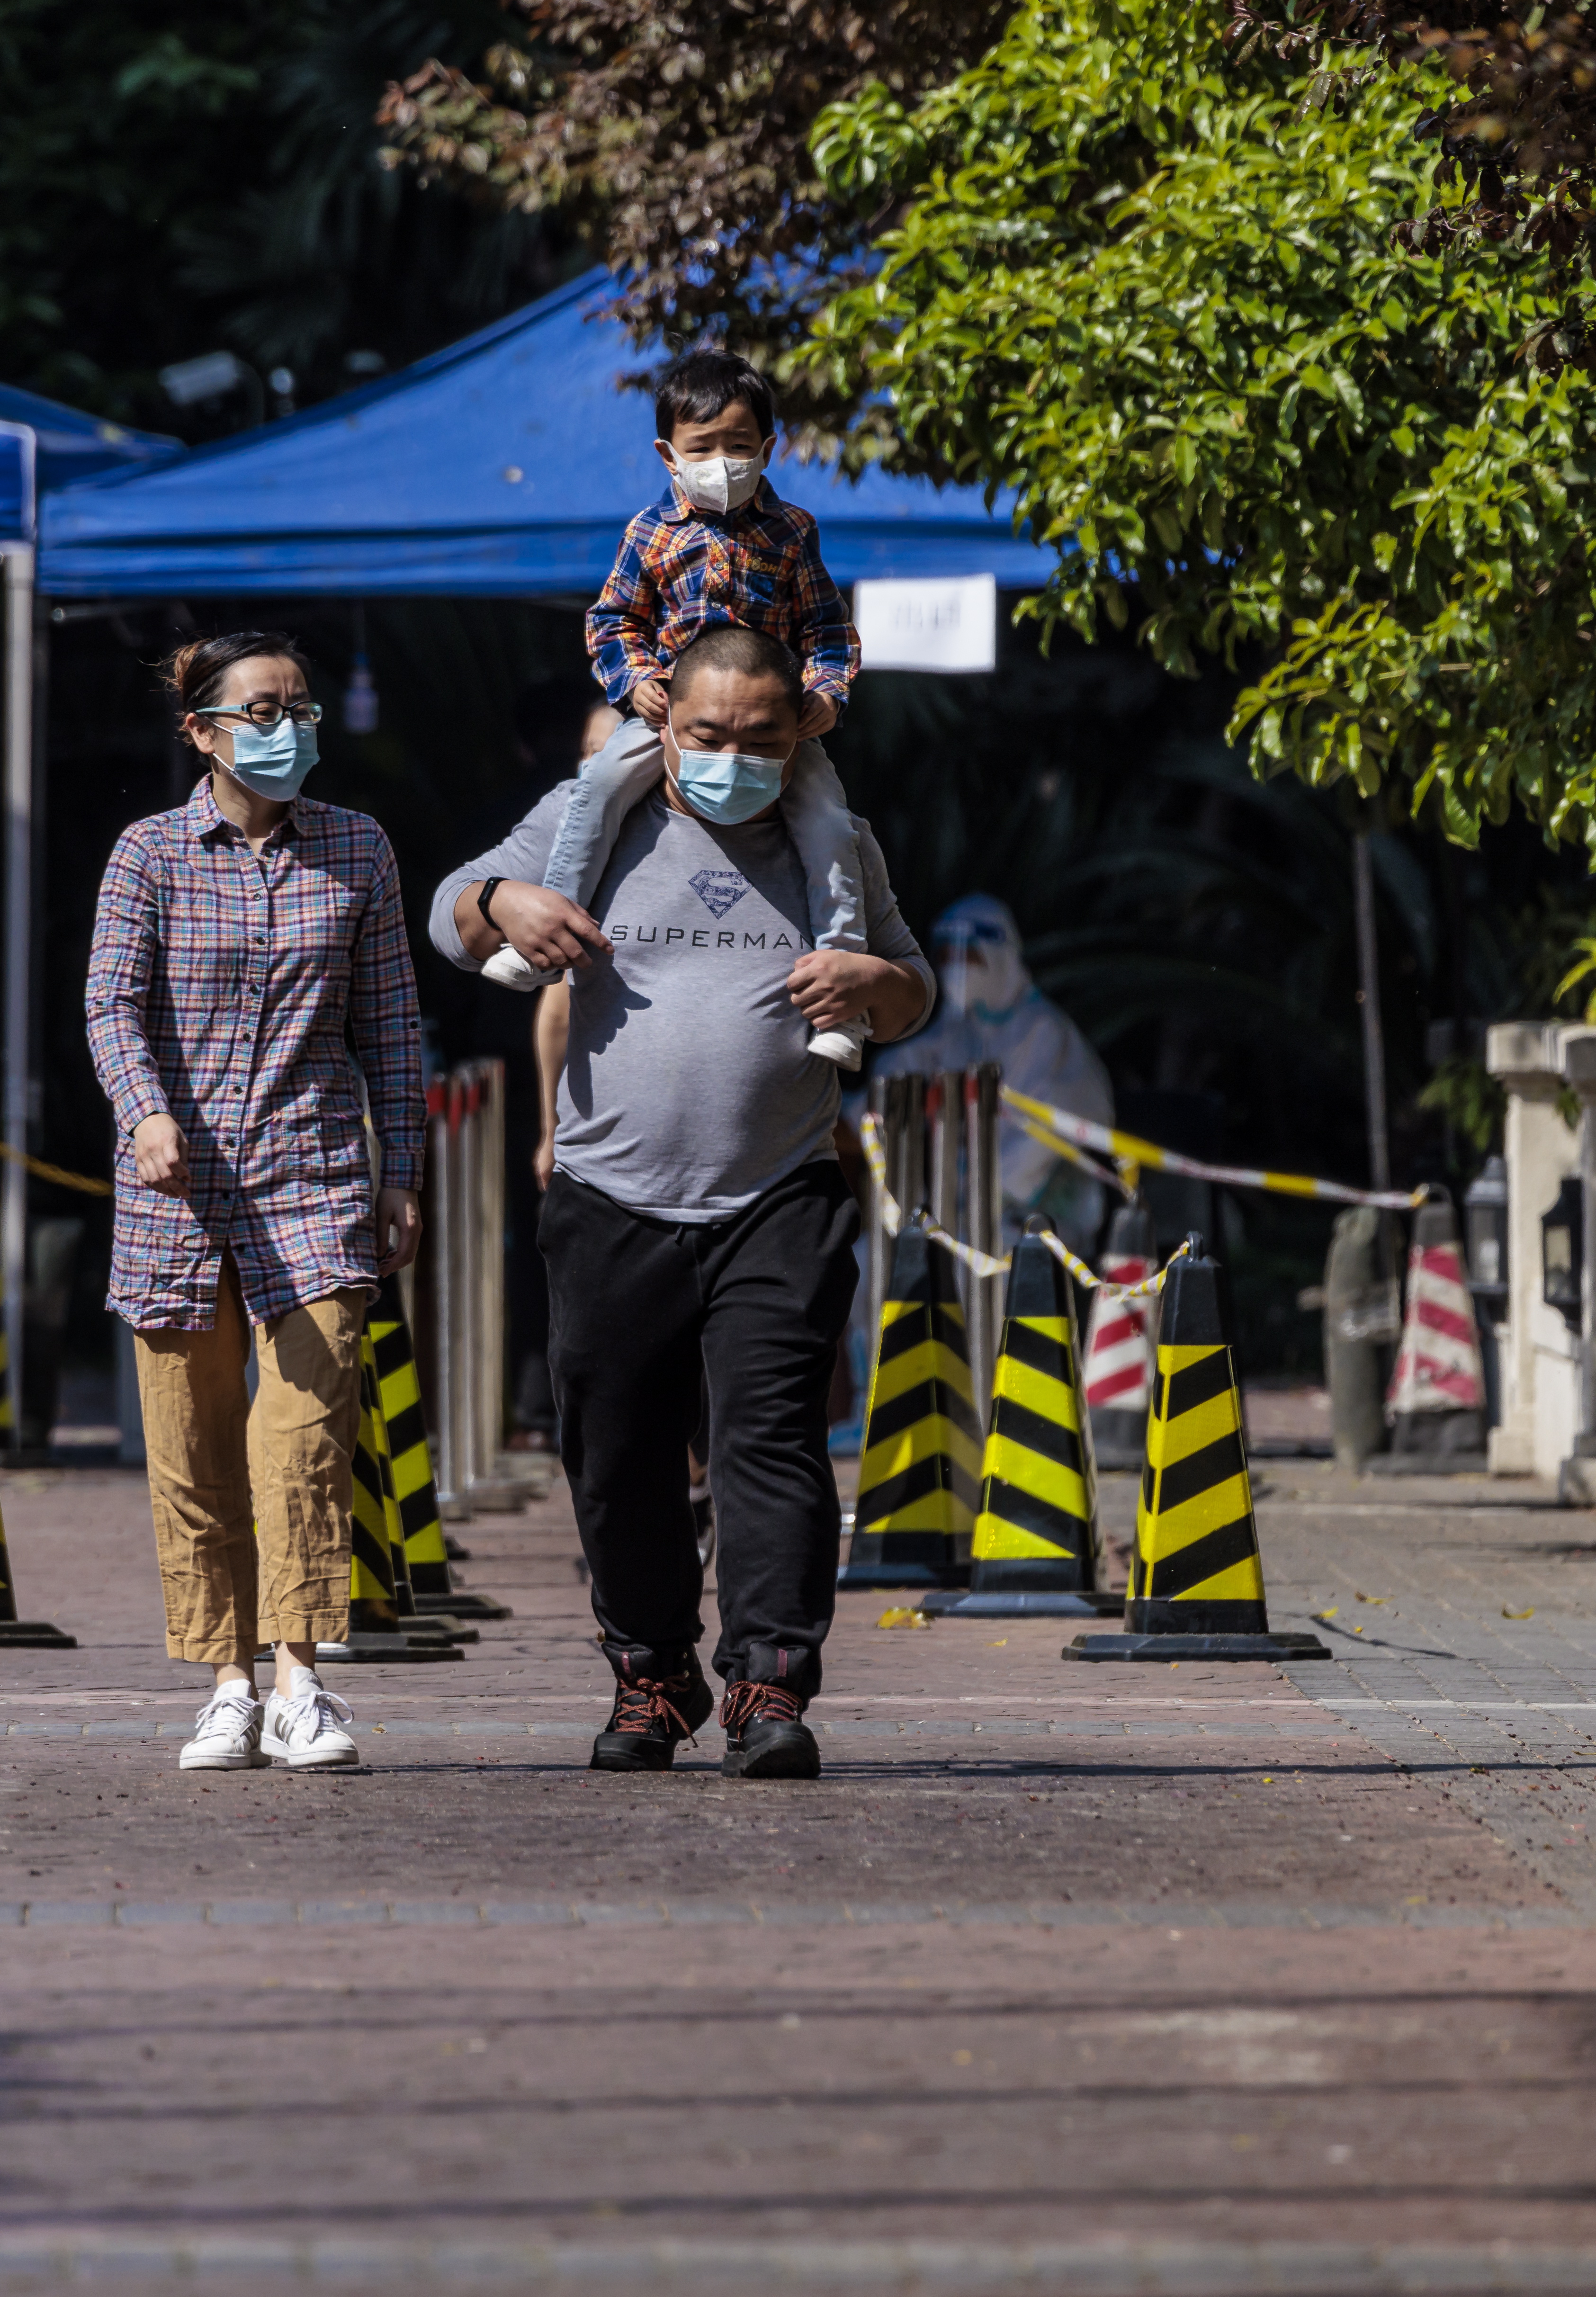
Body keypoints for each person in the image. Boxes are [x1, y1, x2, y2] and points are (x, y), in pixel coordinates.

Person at [431, 625, 932, 1781]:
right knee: (615, 1448)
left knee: (770, 1440)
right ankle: (653, 1669)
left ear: (799, 730)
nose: (733, 756)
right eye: (707, 734)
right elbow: (451, 911)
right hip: (611, 1194)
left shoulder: (836, 843)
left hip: (780, 1192)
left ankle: (768, 1679)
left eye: (762, 736)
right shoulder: (595, 820)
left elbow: (913, 989)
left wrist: (878, 985)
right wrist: (506, 903)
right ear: (665, 724)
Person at [86, 633, 427, 1776]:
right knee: (191, 1444)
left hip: (315, 1173)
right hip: (175, 1193)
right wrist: (144, 1112)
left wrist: (401, 1172)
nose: (288, 727)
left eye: (301, 706)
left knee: (304, 1437)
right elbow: (110, 1009)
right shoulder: (148, 854)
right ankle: (225, 1681)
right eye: (262, 710)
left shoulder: (359, 848)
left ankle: (299, 1678)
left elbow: (389, 1025)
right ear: (203, 731)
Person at [488, 353, 872, 1073]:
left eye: (737, 445)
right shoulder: (647, 534)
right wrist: (632, 683)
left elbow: (828, 629)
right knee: (595, 791)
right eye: (702, 448)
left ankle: (841, 1003)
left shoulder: (792, 532)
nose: (721, 461)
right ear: (668, 454)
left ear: (768, 447)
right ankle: (544, 943)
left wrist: (825, 693)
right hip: (667, 721)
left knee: (828, 828)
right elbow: (611, 622)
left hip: (774, 731)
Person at [878, 894, 1117, 1229]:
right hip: (965, 1212)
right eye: (945, 958)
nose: (954, 970)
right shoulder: (961, 1028)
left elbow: (1037, 1140)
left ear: (997, 954)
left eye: (967, 958)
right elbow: (899, 1071)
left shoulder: (1042, 1031)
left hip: (1041, 1219)